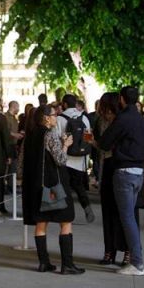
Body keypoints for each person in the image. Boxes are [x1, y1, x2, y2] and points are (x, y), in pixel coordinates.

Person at [19, 105, 84, 275]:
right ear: (46, 118)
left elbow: (21, 164)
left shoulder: (29, 136)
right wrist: (66, 145)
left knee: (41, 224)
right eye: (54, 115)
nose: (56, 118)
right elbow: (61, 160)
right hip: (55, 186)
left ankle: (44, 263)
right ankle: (67, 265)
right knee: (66, 221)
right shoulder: (50, 135)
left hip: (35, 187)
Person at [97, 86, 144, 276]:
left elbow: (104, 143)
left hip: (124, 172)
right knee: (130, 217)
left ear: (121, 99)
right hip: (139, 172)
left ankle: (137, 262)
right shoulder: (142, 120)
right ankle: (134, 258)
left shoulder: (123, 119)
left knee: (127, 219)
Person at [93, 92, 132, 267]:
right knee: (108, 212)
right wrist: (94, 142)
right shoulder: (100, 120)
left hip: (121, 165)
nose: (103, 110)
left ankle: (127, 252)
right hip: (106, 165)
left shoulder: (122, 120)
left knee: (123, 213)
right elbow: (101, 143)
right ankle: (109, 251)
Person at [55, 94, 94, 223]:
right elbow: (88, 138)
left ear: (64, 104)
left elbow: (56, 138)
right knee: (78, 186)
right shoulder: (84, 118)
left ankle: (67, 214)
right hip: (80, 160)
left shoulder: (60, 119)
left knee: (65, 186)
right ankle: (86, 206)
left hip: (65, 158)